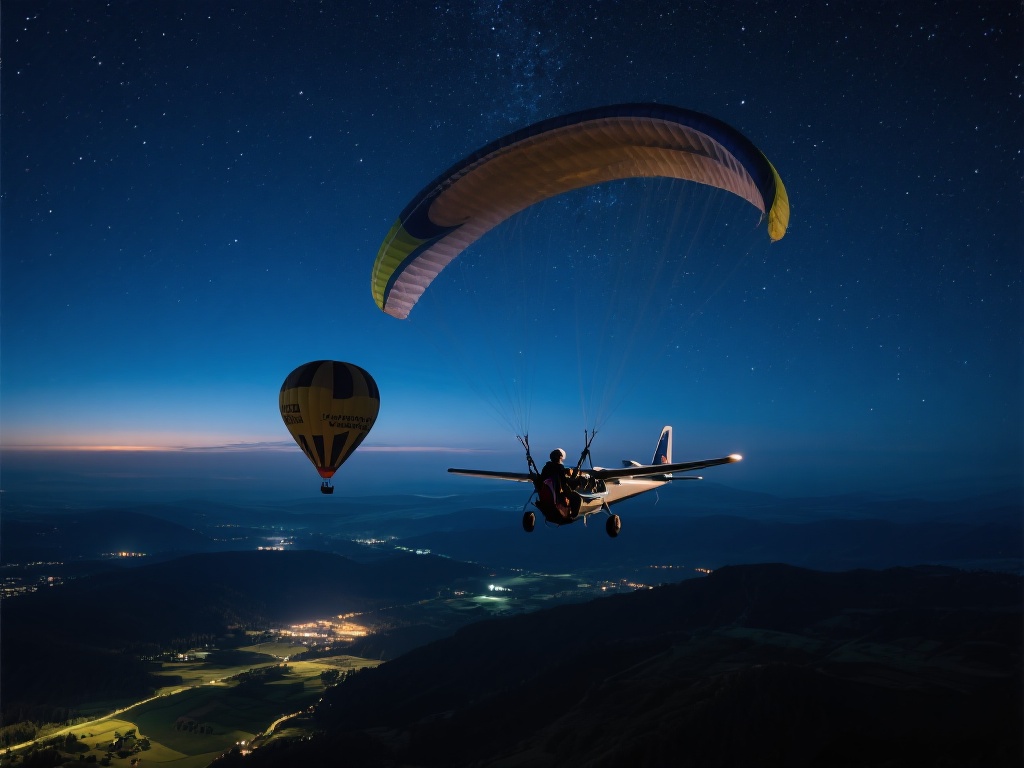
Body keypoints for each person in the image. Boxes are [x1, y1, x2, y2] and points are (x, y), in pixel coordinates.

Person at [539, 448, 575, 520]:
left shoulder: (546, 468)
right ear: (559, 458)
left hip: (547, 497)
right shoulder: (559, 468)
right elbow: (564, 482)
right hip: (558, 497)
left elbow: (541, 479)